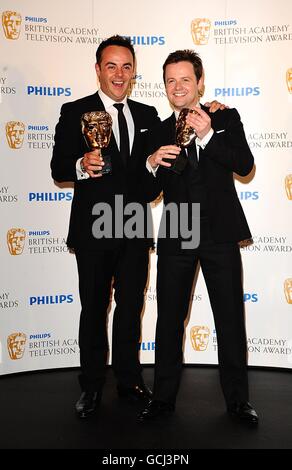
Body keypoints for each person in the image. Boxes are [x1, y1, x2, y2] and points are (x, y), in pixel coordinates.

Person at [51, 36, 223, 420]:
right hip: (95, 228)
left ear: (134, 73)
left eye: (126, 66)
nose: (119, 73)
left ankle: (128, 381)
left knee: (130, 308)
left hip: (133, 227)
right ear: (98, 70)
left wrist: (214, 109)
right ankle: (92, 386)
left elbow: (183, 127)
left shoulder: (148, 116)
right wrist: (82, 163)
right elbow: (58, 167)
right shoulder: (75, 110)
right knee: (94, 309)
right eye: (111, 66)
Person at [138, 49, 258, 425]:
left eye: (185, 79)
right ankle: (163, 400)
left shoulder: (224, 118)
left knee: (229, 319)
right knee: (169, 320)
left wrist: (207, 135)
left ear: (200, 82)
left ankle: (238, 402)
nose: (178, 87)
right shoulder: (157, 131)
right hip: (176, 232)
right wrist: (150, 163)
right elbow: (143, 191)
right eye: (171, 80)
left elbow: (244, 164)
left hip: (220, 233)